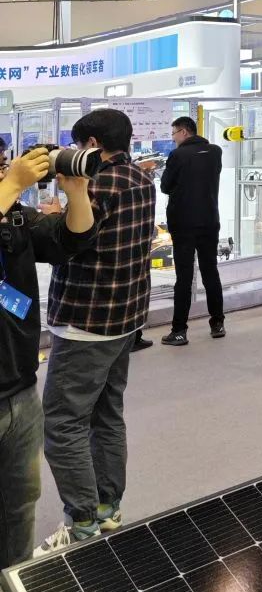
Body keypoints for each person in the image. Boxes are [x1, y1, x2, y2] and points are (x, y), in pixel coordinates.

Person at [37, 108, 156, 554]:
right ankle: (108, 507)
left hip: (85, 320)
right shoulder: (140, 178)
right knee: (107, 414)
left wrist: (58, 212)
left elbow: (66, 244)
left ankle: (82, 521)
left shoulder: (97, 185)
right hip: (125, 317)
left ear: (91, 145)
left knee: (63, 422)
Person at [0, 148, 96, 568]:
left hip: (20, 392)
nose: (5, 169)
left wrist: (77, 192)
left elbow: (71, 240)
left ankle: (13, 588)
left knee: (19, 504)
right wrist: (11, 184)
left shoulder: (15, 217)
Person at [159, 116, 224, 347]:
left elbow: (165, 186)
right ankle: (217, 323)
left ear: (184, 132)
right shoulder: (215, 152)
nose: (173, 138)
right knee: (210, 272)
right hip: (209, 221)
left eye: (174, 133)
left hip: (184, 223)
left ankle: (179, 331)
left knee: (184, 278)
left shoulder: (178, 155)